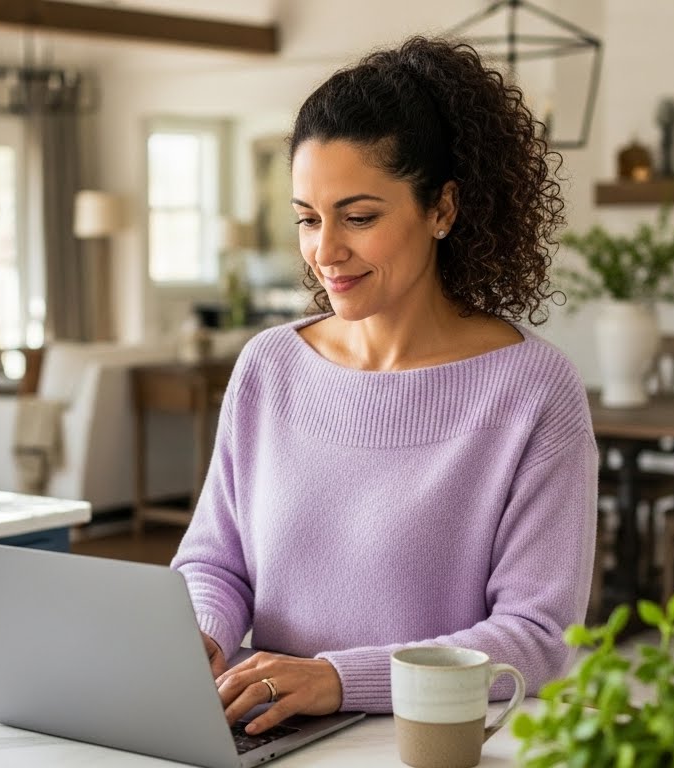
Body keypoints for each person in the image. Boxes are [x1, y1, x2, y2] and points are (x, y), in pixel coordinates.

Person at [169, 36, 598, 738]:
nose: (324, 251)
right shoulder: (268, 365)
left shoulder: (531, 389)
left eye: (358, 216)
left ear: (441, 209)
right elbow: (215, 561)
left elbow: (537, 637)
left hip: (426, 741)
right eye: (307, 218)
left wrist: (338, 679)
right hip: (265, 730)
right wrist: (201, 634)